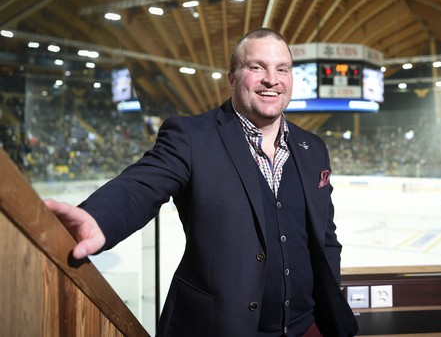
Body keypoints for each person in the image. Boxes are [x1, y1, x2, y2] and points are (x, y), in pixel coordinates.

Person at [44, 28, 358, 337]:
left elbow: (325, 237)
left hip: (307, 326)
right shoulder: (193, 137)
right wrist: (99, 217)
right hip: (220, 327)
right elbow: (143, 184)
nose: (271, 79)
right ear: (233, 78)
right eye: (256, 67)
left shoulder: (312, 148)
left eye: (282, 69)